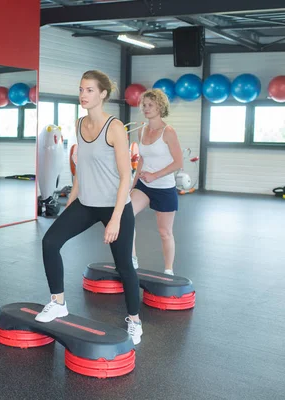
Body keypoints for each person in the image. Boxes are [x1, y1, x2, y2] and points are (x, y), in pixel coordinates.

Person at [35, 70, 143, 345]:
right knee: (50, 242)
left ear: (103, 94)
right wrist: (74, 194)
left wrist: (116, 219)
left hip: (114, 205)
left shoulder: (115, 127)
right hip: (86, 203)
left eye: (90, 90)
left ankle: (134, 320)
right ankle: (58, 301)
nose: (83, 95)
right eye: (81, 89)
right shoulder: (80, 123)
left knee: (124, 267)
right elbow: (82, 164)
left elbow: (125, 177)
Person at [130, 89, 183, 275]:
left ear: (160, 107)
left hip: (164, 187)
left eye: (150, 105)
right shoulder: (142, 130)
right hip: (144, 186)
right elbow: (142, 160)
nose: (146, 108)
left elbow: (178, 162)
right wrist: (133, 182)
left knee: (165, 232)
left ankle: (168, 270)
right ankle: (132, 259)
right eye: (144, 105)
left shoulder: (168, 132)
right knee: (125, 215)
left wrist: (155, 175)